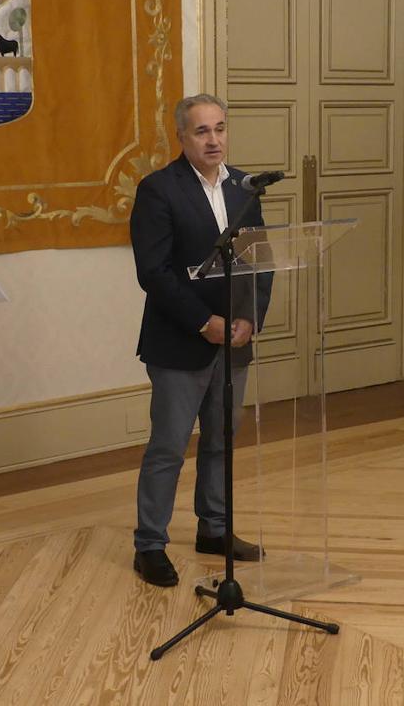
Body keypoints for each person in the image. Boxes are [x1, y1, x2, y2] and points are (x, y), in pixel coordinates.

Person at [129, 94, 272, 587]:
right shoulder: (158, 190)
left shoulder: (245, 187)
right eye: (202, 132)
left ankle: (215, 528)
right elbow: (155, 273)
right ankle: (150, 544)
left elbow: (261, 262)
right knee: (168, 447)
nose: (214, 140)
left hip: (235, 340)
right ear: (182, 138)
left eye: (220, 129)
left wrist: (250, 319)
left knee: (221, 441)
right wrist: (202, 321)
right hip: (181, 343)